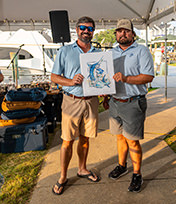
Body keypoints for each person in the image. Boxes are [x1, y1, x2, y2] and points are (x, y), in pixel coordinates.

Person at [103, 19, 154, 193]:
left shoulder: (141, 50)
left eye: (126, 31)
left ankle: (137, 174)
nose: (122, 34)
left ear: (132, 33)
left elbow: (148, 77)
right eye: (119, 31)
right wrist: (105, 93)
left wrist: (126, 79)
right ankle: (122, 165)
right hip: (115, 101)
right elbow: (106, 77)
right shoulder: (111, 52)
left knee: (132, 140)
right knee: (119, 137)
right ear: (116, 34)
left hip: (133, 101)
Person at [51, 16, 100, 195]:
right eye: (82, 27)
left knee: (85, 139)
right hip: (71, 100)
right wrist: (71, 81)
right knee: (67, 141)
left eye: (89, 28)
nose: (86, 31)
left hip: (92, 101)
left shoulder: (98, 53)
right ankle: (63, 176)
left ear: (93, 31)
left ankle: (82, 169)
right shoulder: (64, 51)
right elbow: (54, 77)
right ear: (76, 30)